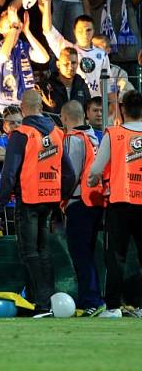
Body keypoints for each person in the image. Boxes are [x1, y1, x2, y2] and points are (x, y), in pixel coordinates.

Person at [0, 90, 75, 313]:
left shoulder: (21, 134)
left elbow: (10, 172)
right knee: (44, 249)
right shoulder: (57, 133)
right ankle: (48, 298)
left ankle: (41, 301)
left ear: (23, 108)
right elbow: (69, 172)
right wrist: (61, 196)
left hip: (29, 199)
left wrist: (1, 199)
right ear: (40, 107)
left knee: (29, 251)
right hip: (50, 200)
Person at [86, 90, 142, 318]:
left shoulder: (114, 134)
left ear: (122, 110)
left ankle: (113, 307)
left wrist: (92, 178)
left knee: (116, 257)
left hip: (121, 203)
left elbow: (96, 169)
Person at [59, 100, 105, 317]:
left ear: (64, 117)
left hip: (80, 202)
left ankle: (91, 301)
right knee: (90, 253)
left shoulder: (73, 140)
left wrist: (60, 198)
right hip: (96, 201)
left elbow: (70, 174)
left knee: (81, 255)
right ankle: (95, 298)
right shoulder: (94, 137)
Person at [39, 0, 110, 96]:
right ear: (74, 31)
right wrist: (47, 2)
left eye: (88, 30)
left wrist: (112, 106)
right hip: (75, 104)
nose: (85, 34)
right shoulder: (66, 49)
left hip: (95, 105)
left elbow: (108, 83)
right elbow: (47, 30)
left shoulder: (102, 55)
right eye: (80, 30)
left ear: (94, 31)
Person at [0, 8, 49, 113]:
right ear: (0, 29)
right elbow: (3, 55)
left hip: (23, 108)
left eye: (16, 26)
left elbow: (44, 58)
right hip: (1, 109)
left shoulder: (24, 47)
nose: (14, 29)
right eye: (10, 26)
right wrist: (14, 27)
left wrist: (27, 32)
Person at [35, 47, 90, 117]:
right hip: (52, 127)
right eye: (66, 64)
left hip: (76, 127)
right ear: (58, 64)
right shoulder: (44, 87)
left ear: (77, 64)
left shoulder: (82, 86)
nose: (70, 67)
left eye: (73, 63)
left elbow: (88, 114)